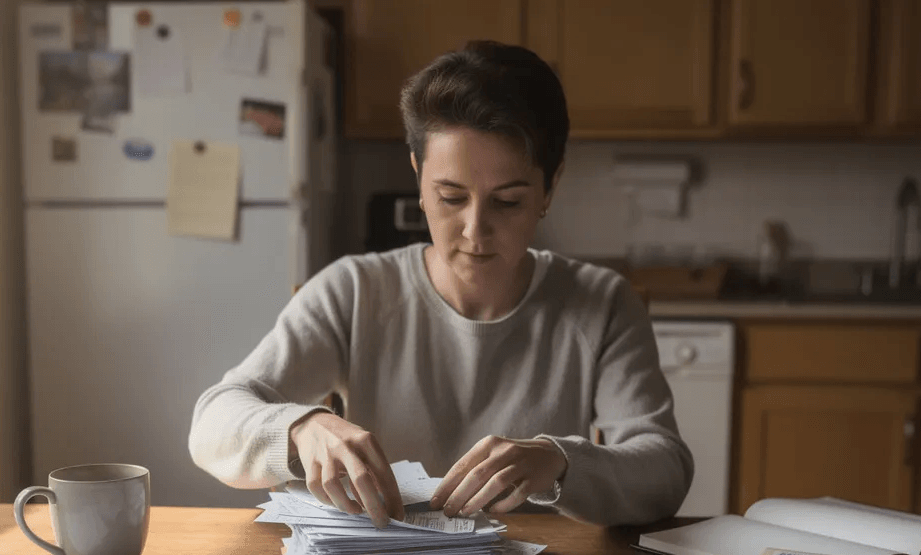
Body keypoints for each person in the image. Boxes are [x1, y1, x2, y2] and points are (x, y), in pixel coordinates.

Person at [188, 41, 692, 529]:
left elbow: (665, 469)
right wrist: (302, 428)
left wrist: (558, 461)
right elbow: (213, 423)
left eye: (508, 201)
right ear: (418, 175)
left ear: (551, 186)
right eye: (451, 197)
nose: (476, 231)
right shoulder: (353, 291)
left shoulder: (603, 303)